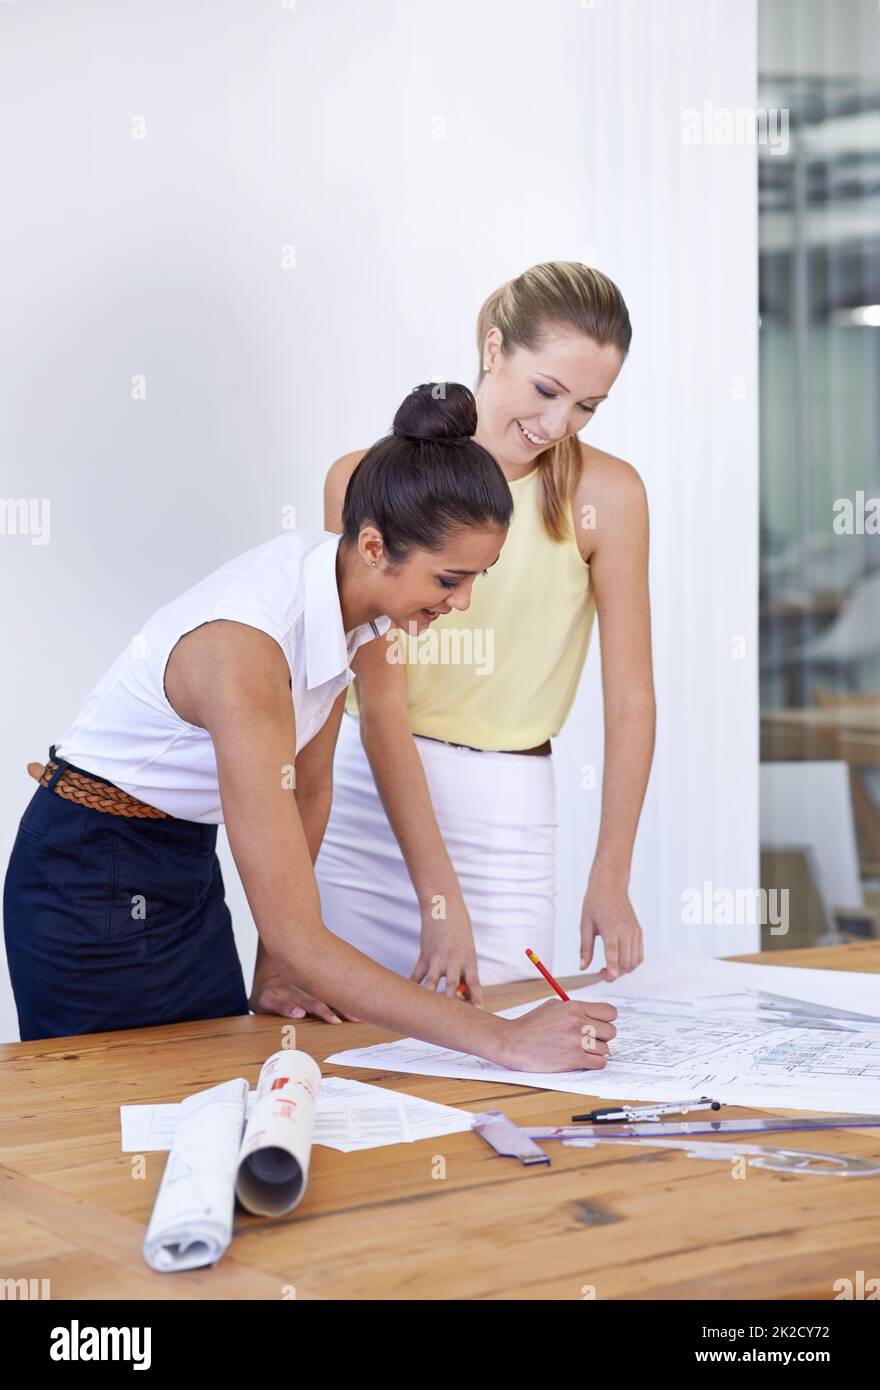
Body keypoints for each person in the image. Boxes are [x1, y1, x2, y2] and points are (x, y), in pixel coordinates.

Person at [3, 381, 617, 1072]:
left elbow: (309, 788)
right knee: (110, 1124)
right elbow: (302, 934)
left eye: (479, 576)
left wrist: (275, 970)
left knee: (217, 1092)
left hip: (179, 863)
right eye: (449, 580)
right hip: (89, 872)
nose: (463, 602)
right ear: (377, 546)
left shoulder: (342, 601)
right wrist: (503, 1038)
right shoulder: (248, 653)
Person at [305, 262, 653, 1008]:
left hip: (507, 813)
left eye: (588, 406)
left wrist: (611, 875)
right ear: (494, 349)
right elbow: (381, 705)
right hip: (372, 798)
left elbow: (630, 700)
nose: (558, 425)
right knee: (345, 1057)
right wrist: (439, 900)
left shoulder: (608, 497)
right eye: (547, 390)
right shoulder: (363, 479)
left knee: (502, 1049)